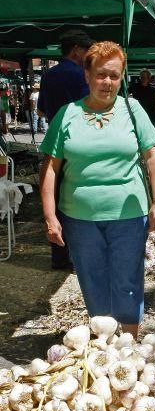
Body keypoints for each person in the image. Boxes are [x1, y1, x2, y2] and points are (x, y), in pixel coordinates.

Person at [39, 41, 155, 338]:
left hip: (129, 215)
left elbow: (153, 155)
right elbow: (50, 168)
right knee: (91, 279)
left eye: (114, 75)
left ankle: (130, 348)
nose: (107, 82)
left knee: (127, 281)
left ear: (121, 77)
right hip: (79, 218)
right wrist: (49, 216)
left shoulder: (132, 110)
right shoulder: (67, 114)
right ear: (87, 75)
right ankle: (103, 344)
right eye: (100, 74)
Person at [38, 28, 94, 270]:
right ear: (76, 51)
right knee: (81, 198)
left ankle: (59, 256)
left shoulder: (48, 75)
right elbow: (89, 110)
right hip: (80, 143)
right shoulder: (82, 75)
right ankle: (81, 254)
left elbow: (40, 111)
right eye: (86, 51)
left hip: (54, 141)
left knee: (57, 199)